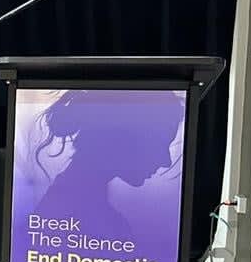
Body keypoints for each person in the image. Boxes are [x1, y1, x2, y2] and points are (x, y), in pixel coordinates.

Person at [31, 89, 184, 241]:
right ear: (121, 137)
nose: (166, 160)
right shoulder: (103, 225)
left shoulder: (62, 204)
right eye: (159, 144)